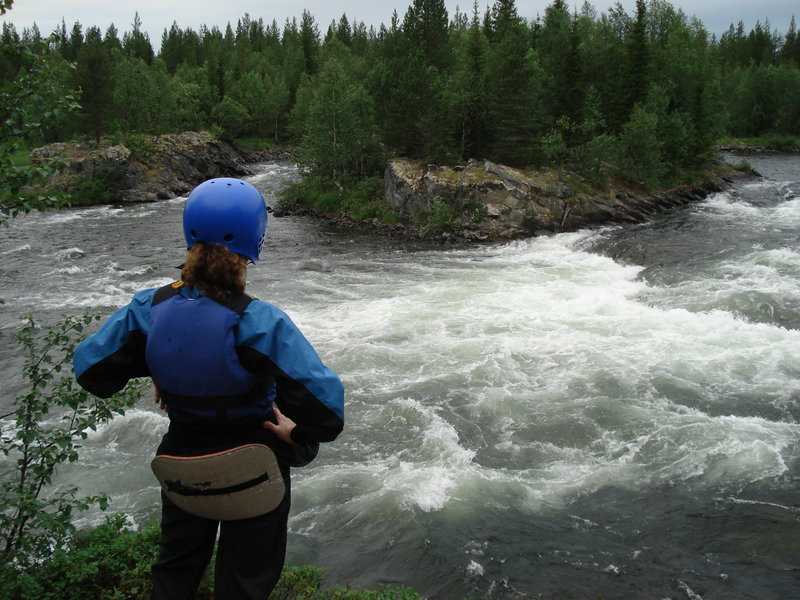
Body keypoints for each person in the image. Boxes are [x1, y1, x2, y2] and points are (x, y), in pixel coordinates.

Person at [72, 177, 345, 600]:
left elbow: (92, 373)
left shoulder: (148, 308)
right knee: (244, 583)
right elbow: (327, 414)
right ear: (255, 241)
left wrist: (161, 365)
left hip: (183, 459)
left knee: (175, 572)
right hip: (252, 462)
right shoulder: (260, 322)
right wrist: (299, 434)